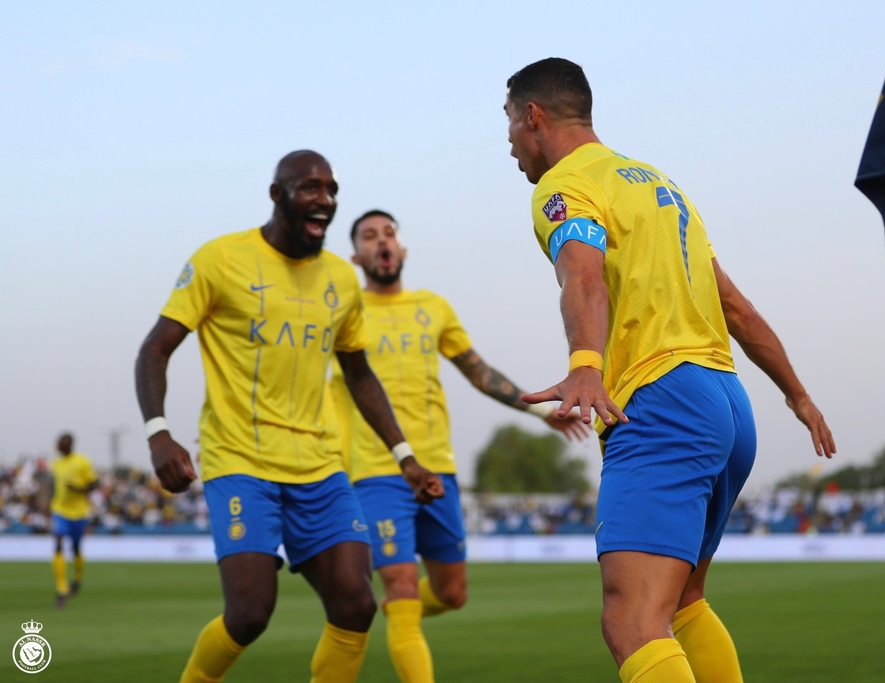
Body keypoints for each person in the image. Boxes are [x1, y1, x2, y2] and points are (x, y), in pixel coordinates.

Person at [504, 58, 837, 683]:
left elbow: (583, 275)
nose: (509, 143)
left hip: (662, 403)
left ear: (533, 116)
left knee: (632, 622)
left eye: (508, 123)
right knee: (683, 603)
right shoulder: (659, 186)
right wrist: (797, 395)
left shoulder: (563, 185)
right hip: (727, 403)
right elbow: (735, 307)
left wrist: (585, 364)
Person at [134, 150, 444, 683]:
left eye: (331, 190)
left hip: (320, 467)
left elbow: (359, 374)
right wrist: (158, 434)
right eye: (310, 188)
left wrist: (406, 458)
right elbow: (154, 350)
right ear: (278, 195)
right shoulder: (220, 259)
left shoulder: (340, 278)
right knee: (249, 614)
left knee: (357, 606)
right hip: (241, 461)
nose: (324, 199)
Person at [332, 209, 588, 683]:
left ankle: (400, 611)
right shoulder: (343, 312)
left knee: (452, 593)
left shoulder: (433, 307)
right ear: (355, 256)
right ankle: (402, 610)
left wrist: (539, 412)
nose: (381, 241)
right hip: (376, 469)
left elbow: (478, 371)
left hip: (438, 468)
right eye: (369, 236)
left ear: (402, 249)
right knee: (402, 586)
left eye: (388, 233)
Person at [50, 432, 97, 608]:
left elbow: (94, 484)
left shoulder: (82, 461)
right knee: (58, 542)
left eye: (62, 443)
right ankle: (62, 589)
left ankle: (77, 577)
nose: (59, 447)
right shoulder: (56, 464)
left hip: (79, 512)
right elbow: (55, 486)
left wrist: (77, 489)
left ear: (69, 445)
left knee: (76, 547)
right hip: (59, 510)